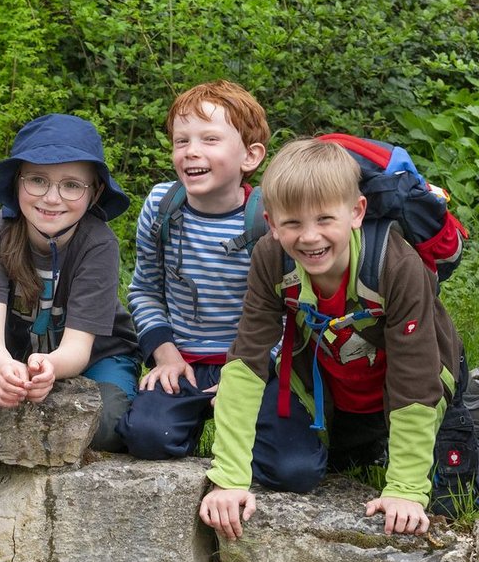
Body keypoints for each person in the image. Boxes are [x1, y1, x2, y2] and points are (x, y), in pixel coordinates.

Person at [199, 138, 474, 539]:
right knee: (298, 468)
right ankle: (372, 436)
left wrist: (405, 490)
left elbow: (415, 380)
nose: (309, 237)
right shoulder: (270, 257)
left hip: (424, 382)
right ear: (272, 224)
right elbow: (246, 361)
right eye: (292, 223)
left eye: (325, 219)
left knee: (449, 500)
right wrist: (228, 479)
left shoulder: (397, 265)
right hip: (343, 385)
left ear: (356, 212)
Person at [0, 114, 140, 451]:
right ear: (17, 182)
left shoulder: (98, 243)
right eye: (38, 180)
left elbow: (76, 349)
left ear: (95, 191)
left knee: (106, 428)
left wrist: (50, 368)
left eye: (72, 185)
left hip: (96, 357)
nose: (52, 198)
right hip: (15, 351)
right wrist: (5, 369)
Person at [118, 81, 269, 458]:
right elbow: (145, 290)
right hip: (181, 358)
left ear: (249, 157)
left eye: (210, 140)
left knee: (293, 469)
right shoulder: (161, 206)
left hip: (252, 361)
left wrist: (252, 371)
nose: (191, 152)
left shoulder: (269, 219)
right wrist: (164, 353)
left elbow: (287, 308)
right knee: (147, 436)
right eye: (181, 141)